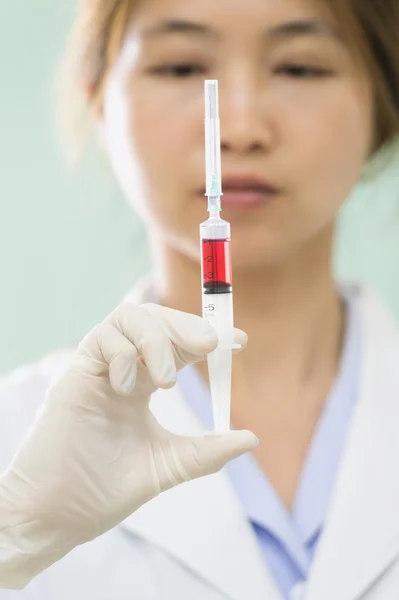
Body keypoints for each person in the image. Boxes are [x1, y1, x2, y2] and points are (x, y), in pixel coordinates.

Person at [0, 0, 399, 598]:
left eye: (300, 68)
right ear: (100, 102)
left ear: (384, 105)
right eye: (181, 67)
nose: (238, 131)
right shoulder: (18, 445)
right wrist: (16, 536)